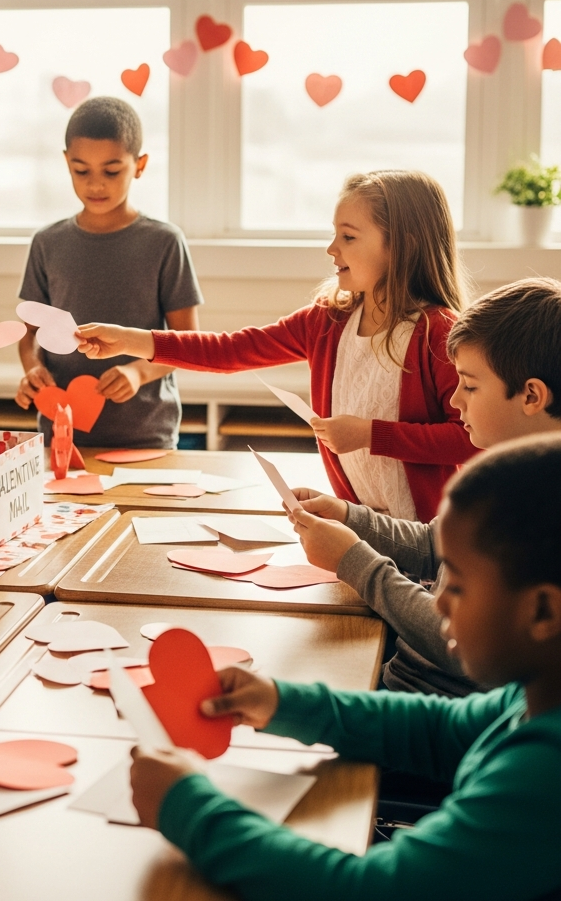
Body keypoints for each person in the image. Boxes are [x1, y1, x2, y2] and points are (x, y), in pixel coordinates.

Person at [130, 434, 561, 901]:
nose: (437, 601)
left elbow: (366, 889)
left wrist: (190, 810)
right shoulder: (535, 694)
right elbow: (439, 731)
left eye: (454, 585)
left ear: (542, 613)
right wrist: (280, 701)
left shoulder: (543, 776)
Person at [76, 170, 477, 520]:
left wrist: (372, 435)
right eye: (335, 234)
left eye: (348, 237)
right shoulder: (327, 321)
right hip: (362, 529)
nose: (331, 249)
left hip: (431, 541)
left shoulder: (438, 333)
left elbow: (470, 438)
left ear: (401, 246)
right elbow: (231, 351)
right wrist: (131, 339)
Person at [291, 277, 561, 696]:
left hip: (437, 706)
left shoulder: (544, 508)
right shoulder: (501, 475)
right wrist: (349, 517)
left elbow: (461, 643)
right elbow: (432, 546)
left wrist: (354, 562)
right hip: (400, 684)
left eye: (470, 386)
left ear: (531, 396)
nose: (454, 402)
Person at [16, 96, 202, 450]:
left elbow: (187, 343)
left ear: (140, 165)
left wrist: (138, 372)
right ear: (66, 162)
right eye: (81, 170)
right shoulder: (46, 243)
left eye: (112, 171)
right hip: (61, 436)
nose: (95, 184)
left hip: (146, 436)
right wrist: (31, 369)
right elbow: (30, 336)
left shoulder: (164, 242)